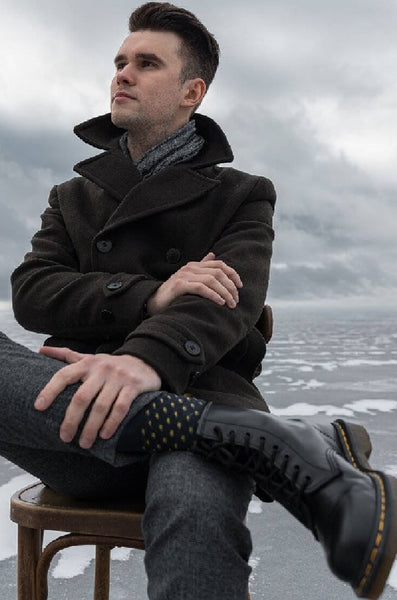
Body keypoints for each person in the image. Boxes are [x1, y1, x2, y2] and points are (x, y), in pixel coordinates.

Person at [1, 3, 395, 599]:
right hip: (77, 421)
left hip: (195, 389)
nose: (122, 74)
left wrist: (146, 360)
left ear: (193, 91)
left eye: (146, 63)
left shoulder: (241, 194)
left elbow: (227, 302)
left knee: (194, 516)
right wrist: (152, 294)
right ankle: (253, 438)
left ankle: (222, 431)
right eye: (120, 62)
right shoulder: (72, 197)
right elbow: (32, 293)